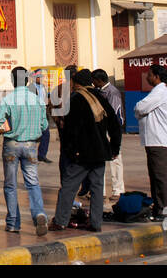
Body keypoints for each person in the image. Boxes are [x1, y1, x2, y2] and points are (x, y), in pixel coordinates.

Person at [48, 70, 121, 233]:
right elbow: (115, 125)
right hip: (100, 151)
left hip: (82, 153)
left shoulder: (75, 99)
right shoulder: (100, 97)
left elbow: (70, 130)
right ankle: (96, 222)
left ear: (76, 83)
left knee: (68, 187)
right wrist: (115, 148)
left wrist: (70, 151)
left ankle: (60, 221)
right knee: (96, 187)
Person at [0, 65, 49, 235]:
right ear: (28, 80)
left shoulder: (8, 100)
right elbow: (44, 125)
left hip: (11, 145)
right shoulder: (36, 99)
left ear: (13, 80)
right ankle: (39, 213)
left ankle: (13, 222)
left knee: (10, 185)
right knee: (32, 182)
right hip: (30, 146)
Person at [134, 64, 167, 220]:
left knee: (161, 178)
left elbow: (140, 107)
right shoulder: (157, 91)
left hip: (160, 141)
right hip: (154, 140)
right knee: (155, 177)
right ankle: (159, 209)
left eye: (149, 75)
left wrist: (138, 109)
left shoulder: (160, 92)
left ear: (156, 77)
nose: (147, 77)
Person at [92, 69, 126, 209]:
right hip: (101, 130)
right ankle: (102, 190)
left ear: (99, 80)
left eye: (94, 80)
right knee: (101, 160)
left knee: (115, 160)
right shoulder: (99, 92)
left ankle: (118, 189)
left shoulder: (112, 93)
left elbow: (115, 114)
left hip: (110, 131)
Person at [34, 71, 52, 163]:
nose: (40, 79)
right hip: (34, 113)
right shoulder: (31, 87)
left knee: (46, 134)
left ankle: (42, 155)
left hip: (43, 112)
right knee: (33, 134)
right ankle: (31, 156)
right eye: (38, 77)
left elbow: (46, 98)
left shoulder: (43, 87)